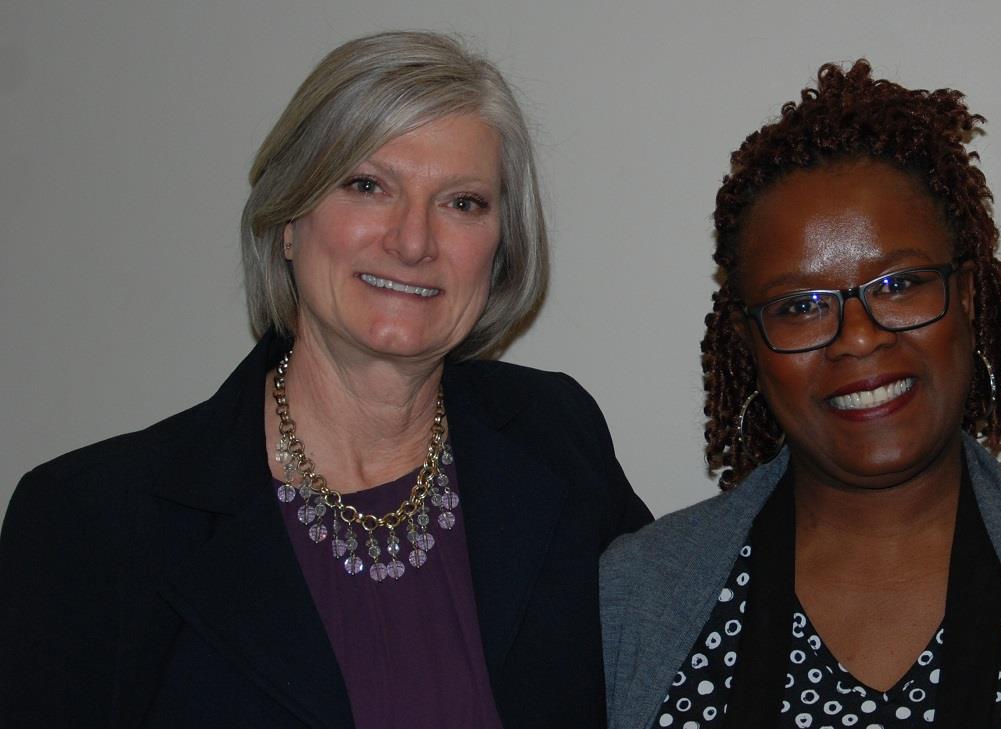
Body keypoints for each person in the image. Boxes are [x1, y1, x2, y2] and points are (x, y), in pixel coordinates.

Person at [0, 31, 652, 728]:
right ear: (288, 220)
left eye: (462, 202)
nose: (412, 241)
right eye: (367, 186)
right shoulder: (90, 523)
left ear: (500, 249)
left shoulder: (557, 437)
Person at [600, 60, 1001, 729]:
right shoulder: (636, 594)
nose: (858, 338)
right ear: (749, 344)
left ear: (968, 297)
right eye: (800, 305)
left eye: (899, 285)